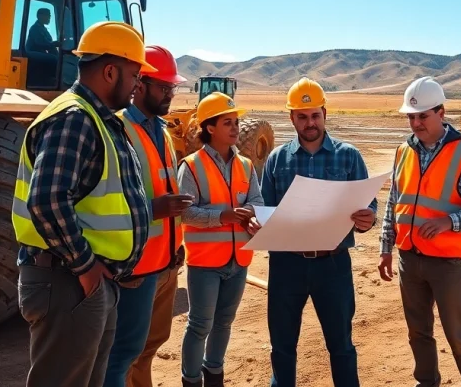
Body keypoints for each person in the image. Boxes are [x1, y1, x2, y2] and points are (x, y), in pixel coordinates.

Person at [12, 20, 155, 387]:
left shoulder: (99, 119)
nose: (138, 84)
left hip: (83, 282)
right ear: (110, 72)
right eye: (134, 75)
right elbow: (47, 199)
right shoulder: (74, 118)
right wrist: (87, 268)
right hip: (68, 282)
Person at [261, 77, 378, 387]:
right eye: (302, 116)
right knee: (282, 347)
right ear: (292, 118)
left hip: (333, 265)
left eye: (315, 115)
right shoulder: (276, 160)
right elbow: (265, 211)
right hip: (286, 265)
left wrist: (368, 219)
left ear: (325, 113)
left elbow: (369, 205)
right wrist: (256, 222)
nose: (309, 122)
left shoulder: (348, 155)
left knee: (341, 346)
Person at [378, 76, 461, 387]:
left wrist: (449, 222)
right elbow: (394, 202)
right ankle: (426, 382)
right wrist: (386, 247)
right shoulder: (403, 151)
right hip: (409, 258)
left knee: (458, 335)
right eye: (411, 117)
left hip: (446, 262)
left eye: (423, 116)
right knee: (418, 332)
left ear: (441, 113)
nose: (416, 123)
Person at [105, 45, 196, 387]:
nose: (170, 94)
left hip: (166, 262)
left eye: (173, 87)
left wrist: (176, 245)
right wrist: (155, 209)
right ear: (139, 84)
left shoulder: (163, 132)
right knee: (123, 352)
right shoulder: (119, 130)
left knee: (150, 345)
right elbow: (106, 201)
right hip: (136, 268)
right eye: (164, 87)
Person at [178, 91, 265, 387]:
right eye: (227, 122)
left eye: (236, 122)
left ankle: (214, 375)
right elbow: (185, 213)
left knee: (223, 323)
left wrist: (250, 212)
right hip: (205, 263)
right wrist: (222, 217)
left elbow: (257, 199)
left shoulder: (246, 165)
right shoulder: (191, 166)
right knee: (200, 325)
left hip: (239, 260)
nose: (235, 127)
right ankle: (191, 380)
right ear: (210, 127)